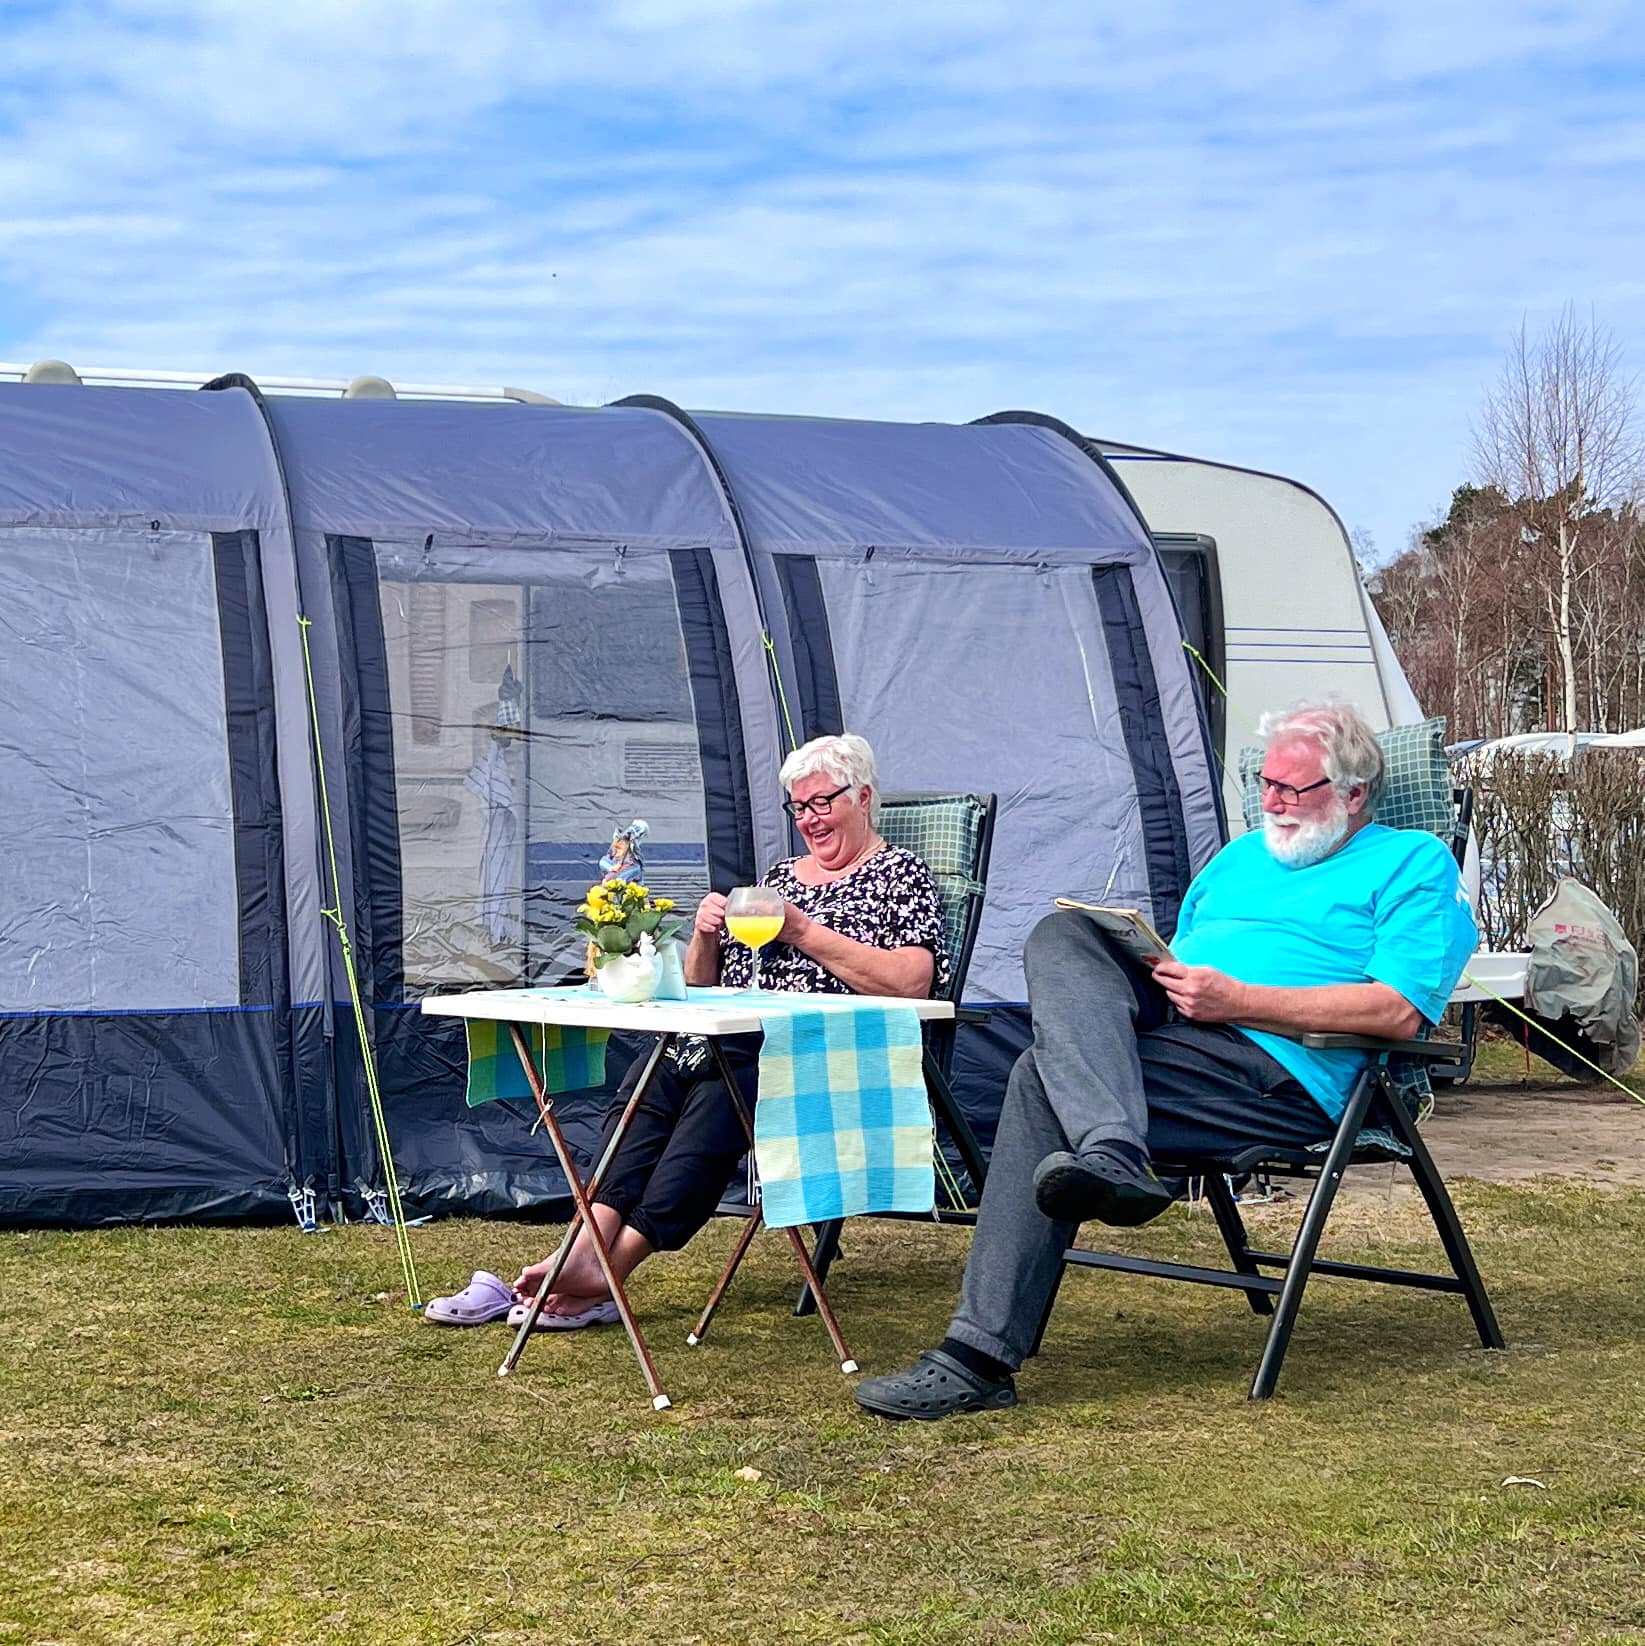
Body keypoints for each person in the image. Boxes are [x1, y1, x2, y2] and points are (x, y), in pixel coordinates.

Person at [853, 701, 1477, 1419]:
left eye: (1290, 790)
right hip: (1179, 1033)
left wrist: (1239, 1000)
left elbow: (1396, 1010)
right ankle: (1113, 1150)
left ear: (1353, 793)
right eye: (1265, 784)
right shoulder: (1240, 859)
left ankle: (979, 1354)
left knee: (1035, 1076)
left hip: (1279, 1070)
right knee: (1063, 933)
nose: (1269, 802)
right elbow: (1184, 961)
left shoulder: (1412, 863)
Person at [426, 732, 949, 1331]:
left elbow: (912, 983)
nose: (809, 820)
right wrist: (704, 936)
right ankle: (584, 1246)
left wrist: (805, 933)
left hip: (826, 1055)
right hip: (739, 1036)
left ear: (863, 797)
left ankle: (607, 1271)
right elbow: (705, 986)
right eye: (799, 808)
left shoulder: (898, 873)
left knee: (721, 1090)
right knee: (657, 1075)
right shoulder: (780, 877)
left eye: (822, 803)